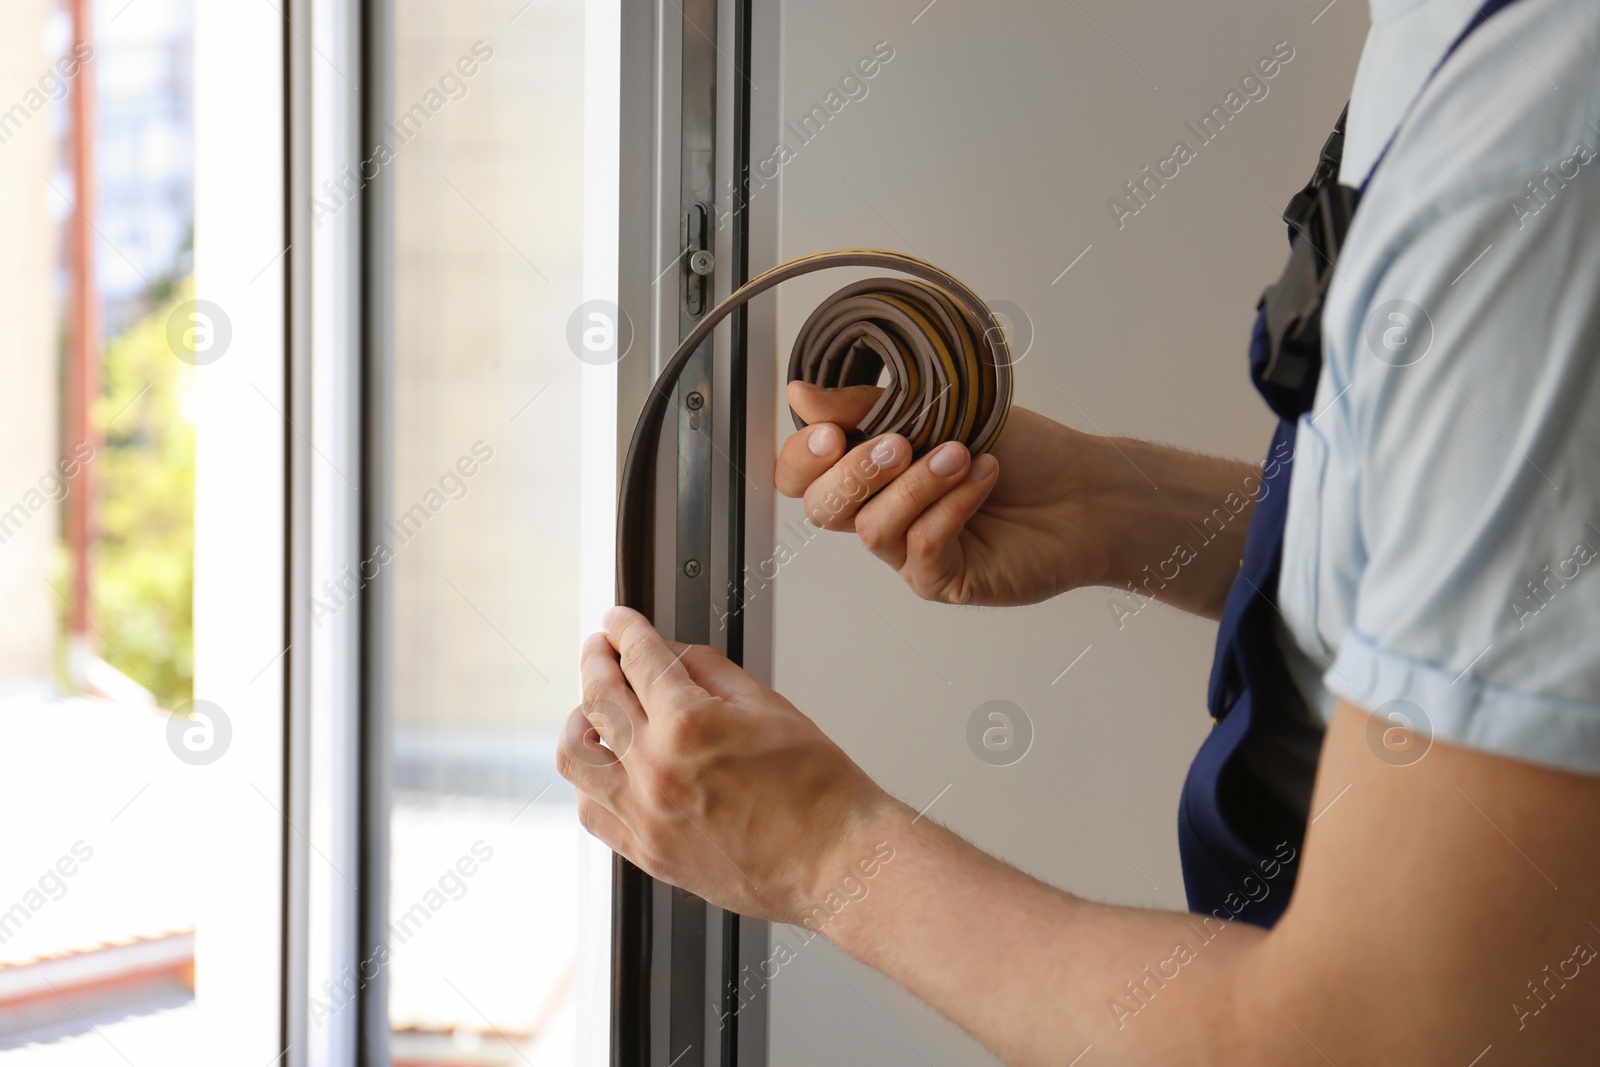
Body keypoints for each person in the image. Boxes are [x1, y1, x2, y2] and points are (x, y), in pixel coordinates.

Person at [557, 1, 1600, 1062]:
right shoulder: (1455, 48)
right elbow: (1502, 579)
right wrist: (1116, 504)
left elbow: (1387, 1037)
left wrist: (820, 852)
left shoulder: (1539, 142)